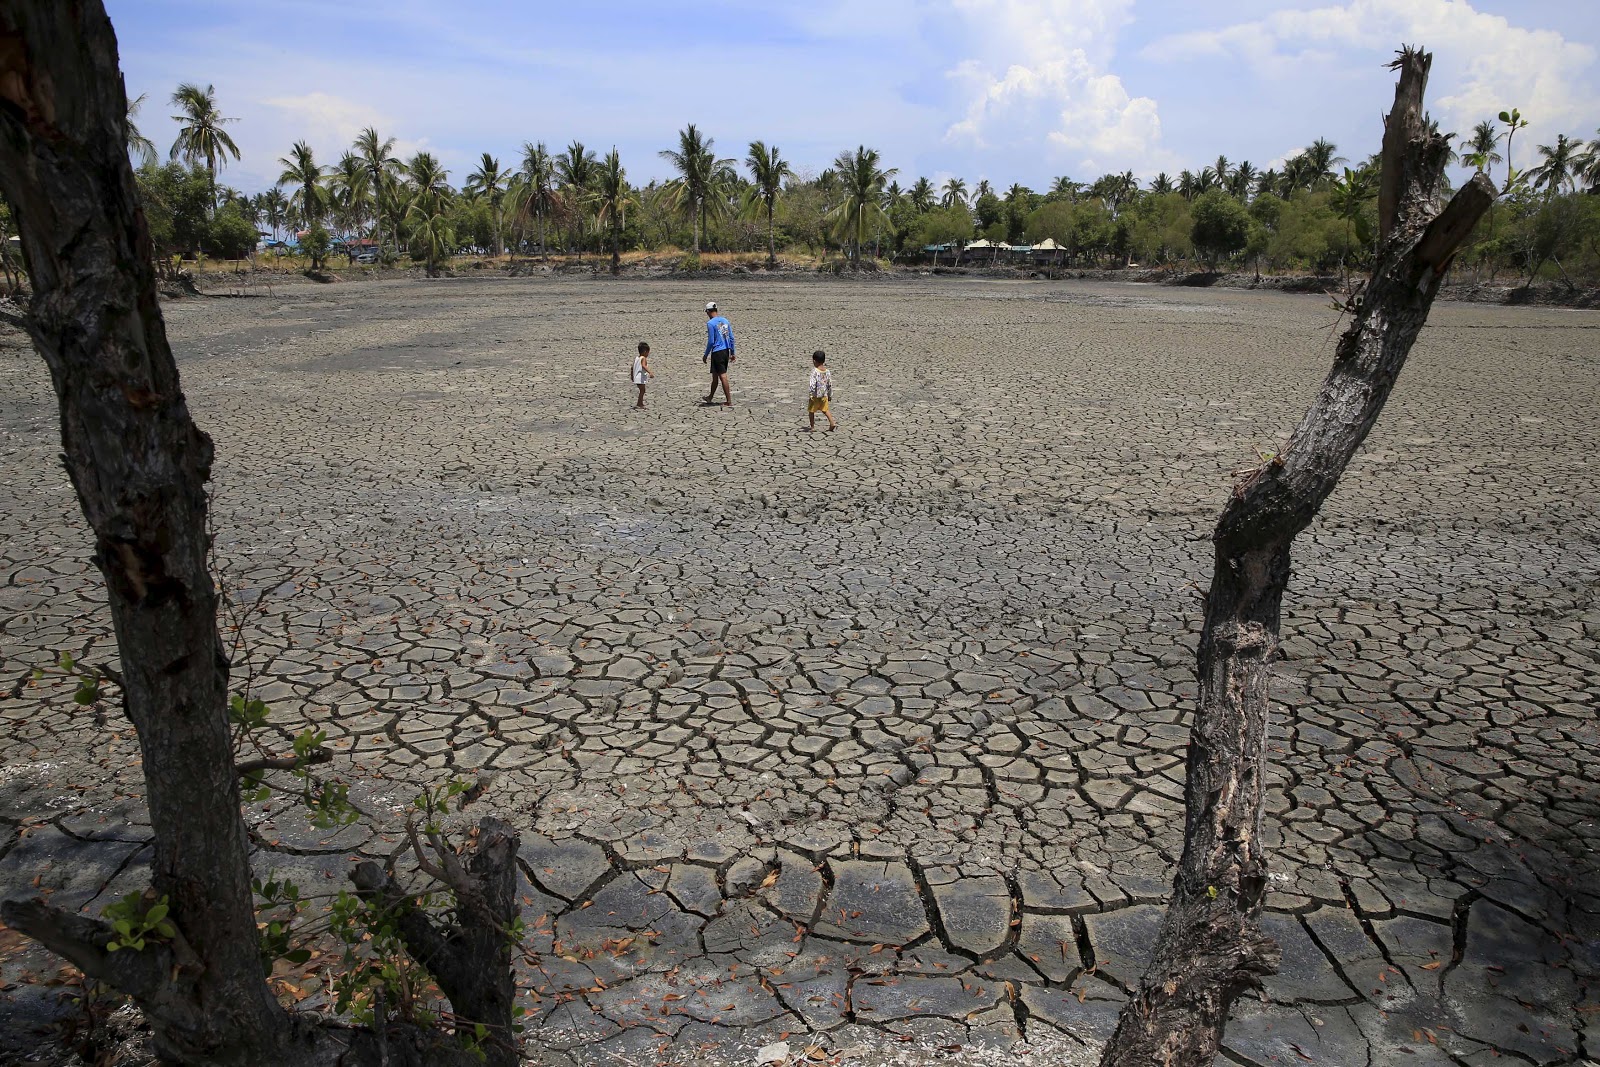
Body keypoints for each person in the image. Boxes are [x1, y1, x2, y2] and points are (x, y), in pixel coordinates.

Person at [702, 300, 735, 406]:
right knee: (715, 376)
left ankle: (728, 401)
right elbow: (731, 338)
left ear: (708, 311)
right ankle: (710, 397)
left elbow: (711, 341)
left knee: (722, 376)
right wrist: (732, 352)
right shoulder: (725, 321)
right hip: (726, 350)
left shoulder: (710, 323)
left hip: (717, 352)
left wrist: (706, 354)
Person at [807, 350, 836, 432]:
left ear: (814, 361)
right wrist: (830, 395)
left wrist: (811, 394)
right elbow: (829, 384)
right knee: (825, 410)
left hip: (815, 395)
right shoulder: (827, 372)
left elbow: (812, 384)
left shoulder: (815, 371)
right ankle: (832, 422)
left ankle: (812, 427)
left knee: (811, 411)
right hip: (824, 395)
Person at [631, 341, 652, 409]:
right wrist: (650, 372)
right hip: (640, 378)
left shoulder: (637, 358)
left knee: (642, 390)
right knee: (642, 391)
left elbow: (632, 367)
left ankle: (640, 403)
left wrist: (632, 376)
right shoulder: (643, 358)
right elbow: (643, 366)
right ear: (645, 351)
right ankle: (640, 403)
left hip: (636, 377)